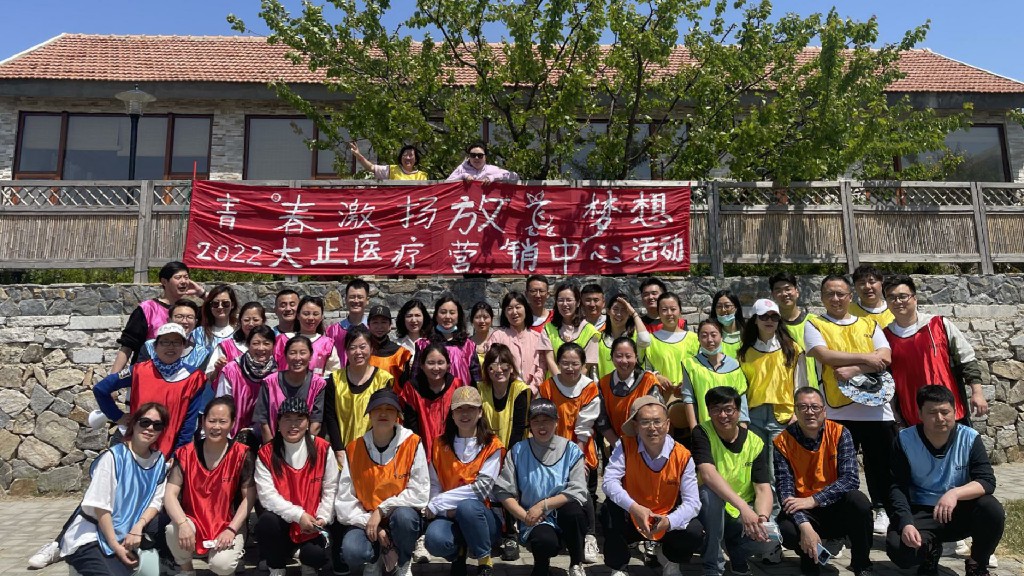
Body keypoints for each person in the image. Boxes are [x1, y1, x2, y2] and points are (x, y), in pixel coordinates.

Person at [805, 274, 895, 535]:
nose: (835, 299)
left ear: (850, 296)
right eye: (830, 294)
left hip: (877, 409)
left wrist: (855, 368)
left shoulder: (868, 323)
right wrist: (867, 358)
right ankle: (841, 520)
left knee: (882, 467)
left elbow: (885, 356)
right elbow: (824, 354)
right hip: (838, 409)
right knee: (838, 469)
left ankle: (884, 511)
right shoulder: (815, 324)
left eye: (841, 294)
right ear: (822, 297)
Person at [886, 386, 1004, 576]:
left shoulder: (969, 437)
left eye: (945, 412)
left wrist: (954, 493)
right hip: (922, 511)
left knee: (992, 510)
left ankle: (976, 563)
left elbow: (987, 481)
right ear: (920, 414)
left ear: (955, 411)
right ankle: (929, 552)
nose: (940, 418)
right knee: (900, 550)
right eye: (932, 413)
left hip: (958, 510)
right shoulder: (905, 439)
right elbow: (897, 487)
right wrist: (906, 523)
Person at [774, 387, 874, 576]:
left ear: (824, 410)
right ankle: (809, 558)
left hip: (834, 506)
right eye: (803, 407)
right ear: (795, 411)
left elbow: (851, 479)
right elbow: (785, 492)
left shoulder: (840, 433)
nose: (809, 412)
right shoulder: (782, 442)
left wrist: (814, 499)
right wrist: (805, 526)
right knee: (788, 530)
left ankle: (862, 564)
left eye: (815, 407)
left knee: (859, 502)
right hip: (804, 511)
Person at [58, 403, 168, 576]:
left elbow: (156, 501)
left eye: (157, 425)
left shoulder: (158, 461)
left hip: (126, 534)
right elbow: (100, 506)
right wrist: (115, 546)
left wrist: (138, 527)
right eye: (145, 422)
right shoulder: (113, 457)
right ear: (134, 423)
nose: (150, 428)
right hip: (93, 535)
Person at [602, 395, 704, 576]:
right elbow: (609, 482)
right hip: (633, 514)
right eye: (645, 422)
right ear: (635, 426)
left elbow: (693, 503)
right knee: (608, 511)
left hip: (666, 515)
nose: (652, 428)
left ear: (667, 424)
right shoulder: (624, 445)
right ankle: (618, 567)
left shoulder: (683, 455)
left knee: (694, 531)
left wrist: (669, 521)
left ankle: (670, 558)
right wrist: (635, 508)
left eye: (657, 421)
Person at [333, 389, 428, 576]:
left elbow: (419, 493)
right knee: (352, 551)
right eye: (377, 409)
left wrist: (382, 510)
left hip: (398, 517)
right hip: (365, 520)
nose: (383, 413)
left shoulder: (413, 443)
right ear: (369, 414)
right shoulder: (354, 448)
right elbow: (345, 502)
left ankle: (403, 561)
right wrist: (374, 525)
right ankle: (374, 559)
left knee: (405, 518)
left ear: (398, 415)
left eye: (389, 409)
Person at [493, 399, 589, 576]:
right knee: (544, 541)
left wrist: (543, 505)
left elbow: (578, 489)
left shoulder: (571, 449)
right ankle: (541, 566)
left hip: (562, 510)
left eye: (547, 420)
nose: (541, 426)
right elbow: (503, 491)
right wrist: (525, 516)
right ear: (529, 424)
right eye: (536, 421)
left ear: (556, 422)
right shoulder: (518, 450)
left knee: (574, 513)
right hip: (534, 517)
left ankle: (576, 563)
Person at [164, 397, 255, 576]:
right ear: (203, 421)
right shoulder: (185, 453)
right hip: (194, 521)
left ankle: (229, 560)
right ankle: (186, 570)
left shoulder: (242, 454)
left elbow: (249, 498)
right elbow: (170, 494)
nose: (216, 427)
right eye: (212, 421)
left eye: (223, 421)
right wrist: (182, 523)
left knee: (222, 566)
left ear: (232, 423)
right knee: (172, 529)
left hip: (228, 523)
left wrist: (232, 529)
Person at [882, 274, 988, 426]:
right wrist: (894, 412)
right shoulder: (885, 337)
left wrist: (977, 393)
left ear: (914, 298)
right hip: (913, 417)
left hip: (950, 412)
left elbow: (966, 360)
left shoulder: (939, 325)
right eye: (891, 298)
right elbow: (886, 379)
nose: (897, 301)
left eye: (903, 296)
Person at [94, 323, 208, 458]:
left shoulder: (194, 377)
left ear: (184, 346)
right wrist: (118, 416)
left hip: (169, 452)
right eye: (165, 342)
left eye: (176, 342)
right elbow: (101, 389)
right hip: (136, 449)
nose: (170, 347)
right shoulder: (138, 370)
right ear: (155, 346)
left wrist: (178, 454)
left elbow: (190, 421)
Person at [692, 387, 773, 576]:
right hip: (712, 508)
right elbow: (708, 474)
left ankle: (737, 556)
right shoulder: (702, 432)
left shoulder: (755, 442)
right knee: (710, 495)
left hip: (740, 511)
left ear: (738, 411)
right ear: (708, 411)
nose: (723, 415)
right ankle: (713, 566)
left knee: (769, 541)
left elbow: (763, 488)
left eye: (728, 409)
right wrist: (743, 507)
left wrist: (762, 518)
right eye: (716, 409)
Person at [424, 387, 504, 576]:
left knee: (468, 507)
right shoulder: (439, 444)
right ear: (452, 414)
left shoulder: (492, 445)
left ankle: (484, 560)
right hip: (448, 515)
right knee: (434, 540)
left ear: (480, 412)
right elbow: (434, 484)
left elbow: (481, 490)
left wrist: (439, 503)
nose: (465, 414)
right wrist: (444, 510)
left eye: (471, 408)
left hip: (482, 516)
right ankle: (458, 554)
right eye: (459, 409)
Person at [254, 396, 338, 576]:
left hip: (313, 521)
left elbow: (331, 488)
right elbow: (267, 496)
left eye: (299, 419)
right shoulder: (266, 453)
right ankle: (276, 567)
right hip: (283, 521)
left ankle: (306, 560)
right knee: (266, 522)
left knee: (315, 556)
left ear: (308, 423)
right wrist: (298, 515)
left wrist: (323, 517)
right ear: (278, 423)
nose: (293, 425)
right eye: (287, 419)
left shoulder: (323, 449)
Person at [537, 342, 601, 564]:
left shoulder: (589, 388)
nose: (570, 368)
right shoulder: (547, 387)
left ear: (583, 365)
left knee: (581, 490)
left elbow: (584, 427)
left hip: (579, 447)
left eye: (575, 363)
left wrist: (577, 458)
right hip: (551, 447)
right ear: (557, 363)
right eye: (565, 363)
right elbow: (542, 420)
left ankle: (590, 536)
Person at [737, 298, 808, 486]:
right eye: (764, 316)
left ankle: (780, 505)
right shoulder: (744, 353)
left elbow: (800, 384)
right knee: (758, 467)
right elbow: (742, 388)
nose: (769, 320)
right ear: (755, 319)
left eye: (774, 317)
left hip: (783, 416)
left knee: (778, 468)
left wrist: (797, 413)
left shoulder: (792, 349)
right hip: (754, 416)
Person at [479, 343, 531, 561]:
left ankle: (511, 535)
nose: (498, 369)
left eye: (504, 364)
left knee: (508, 487)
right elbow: (478, 425)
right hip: (485, 451)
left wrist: (505, 459)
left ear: (511, 367)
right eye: (492, 365)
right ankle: (488, 534)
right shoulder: (480, 389)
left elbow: (520, 428)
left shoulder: (521, 390)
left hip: (514, 451)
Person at [112, 261, 204, 373]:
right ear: (164, 281)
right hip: (148, 374)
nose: (184, 281)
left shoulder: (191, 311)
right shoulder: (147, 309)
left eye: (186, 277)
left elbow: (217, 309)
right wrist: (112, 378)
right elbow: (127, 345)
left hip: (182, 377)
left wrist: (202, 294)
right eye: (178, 277)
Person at [324, 325, 395, 468]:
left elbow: (385, 417)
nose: (358, 352)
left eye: (362, 347)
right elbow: (330, 416)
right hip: (341, 452)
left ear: (372, 348)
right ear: (346, 351)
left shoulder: (383, 380)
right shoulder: (335, 380)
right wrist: (338, 449)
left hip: (375, 452)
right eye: (352, 348)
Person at [398, 342, 465, 466]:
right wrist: (418, 452)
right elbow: (410, 425)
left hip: (453, 451)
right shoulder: (411, 388)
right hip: (421, 452)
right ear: (422, 366)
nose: (436, 368)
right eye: (431, 363)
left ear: (448, 365)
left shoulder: (457, 385)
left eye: (440, 363)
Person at [254, 335, 328, 443]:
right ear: (285, 356)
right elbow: (263, 421)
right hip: (275, 444)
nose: (297, 358)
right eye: (292, 353)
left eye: (302, 353)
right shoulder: (269, 382)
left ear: (311, 355)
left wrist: (304, 448)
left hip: (306, 444)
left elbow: (316, 422)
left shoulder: (319, 384)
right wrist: (270, 448)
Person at [215, 324, 278, 447]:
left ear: (273, 346)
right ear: (248, 345)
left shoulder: (277, 373)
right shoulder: (231, 370)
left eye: (266, 343)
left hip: (266, 437)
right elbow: (222, 405)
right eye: (256, 343)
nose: (261, 348)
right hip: (232, 435)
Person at [681, 320, 749, 430]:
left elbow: (741, 398)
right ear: (698, 339)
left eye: (714, 335)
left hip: (732, 428)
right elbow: (689, 399)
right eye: (704, 336)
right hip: (706, 428)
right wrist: (695, 430)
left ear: (721, 337)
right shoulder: (690, 365)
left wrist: (743, 427)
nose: (709, 340)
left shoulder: (734, 365)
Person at [595, 337, 662, 446]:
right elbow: (602, 421)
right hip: (616, 445)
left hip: (647, 444)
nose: (624, 361)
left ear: (636, 358)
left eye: (628, 356)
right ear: (612, 357)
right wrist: (619, 446)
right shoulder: (603, 384)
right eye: (619, 356)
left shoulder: (648, 381)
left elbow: (657, 416)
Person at [484, 290, 555, 393]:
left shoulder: (537, 338)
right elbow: (491, 365)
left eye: (518, 307)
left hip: (531, 394)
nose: (514, 312)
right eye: (509, 308)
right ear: (505, 313)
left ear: (526, 309)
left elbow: (541, 368)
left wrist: (531, 390)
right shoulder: (497, 337)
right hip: (504, 393)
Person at [416, 296, 482, 386]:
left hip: (462, 393)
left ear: (458, 316)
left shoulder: (468, 346)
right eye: (443, 312)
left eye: (452, 313)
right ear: (436, 315)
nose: (447, 316)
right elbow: (416, 377)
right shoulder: (424, 344)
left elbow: (476, 379)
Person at [768, 272, 819, 390]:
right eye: (778, 290)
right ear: (773, 295)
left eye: (787, 289)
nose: (784, 294)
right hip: (783, 390)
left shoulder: (814, 322)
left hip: (815, 389)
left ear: (797, 291)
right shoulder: (770, 326)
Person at [137, 299, 213, 372]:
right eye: (179, 316)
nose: (184, 321)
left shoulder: (201, 354)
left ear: (195, 322)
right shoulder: (150, 347)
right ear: (169, 320)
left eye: (190, 317)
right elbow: (139, 373)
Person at [273, 295, 341, 377]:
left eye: (315, 314)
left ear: (321, 317)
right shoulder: (283, 340)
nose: (311, 318)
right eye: (306, 314)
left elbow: (333, 373)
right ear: (298, 315)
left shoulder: (327, 344)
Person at [544, 282, 601, 377]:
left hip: (579, 383)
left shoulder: (590, 331)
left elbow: (587, 365)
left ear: (578, 303)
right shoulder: (548, 328)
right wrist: (559, 382)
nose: (564, 304)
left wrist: (571, 382)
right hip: (553, 383)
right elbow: (549, 359)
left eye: (569, 300)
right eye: (560, 300)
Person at [206, 300, 266, 382]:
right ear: (240, 321)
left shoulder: (272, 346)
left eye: (255, 320)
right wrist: (217, 369)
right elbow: (209, 378)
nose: (251, 324)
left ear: (263, 321)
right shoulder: (226, 347)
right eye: (246, 320)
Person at [596, 292, 651, 380]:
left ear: (629, 313)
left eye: (624, 310)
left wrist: (634, 313)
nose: (619, 314)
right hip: (606, 386)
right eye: (615, 309)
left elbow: (645, 340)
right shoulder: (599, 338)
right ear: (608, 311)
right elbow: (594, 369)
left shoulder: (635, 336)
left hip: (634, 386)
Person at [325, 279, 371, 362]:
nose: (356, 301)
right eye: (352, 297)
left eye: (360, 297)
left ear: (367, 300)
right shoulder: (333, 331)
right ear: (345, 299)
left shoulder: (372, 329)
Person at [367, 305, 413, 382]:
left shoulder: (401, 353)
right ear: (368, 325)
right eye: (375, 322)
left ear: (390, 325)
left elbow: (406, 384)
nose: (379, 326)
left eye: (383, 322)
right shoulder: (362, 352)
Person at [350, 142, 429, 180]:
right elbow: (371, 167)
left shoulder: (422, 176)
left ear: (416, 159)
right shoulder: (392, 170)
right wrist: (358, 155)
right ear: (401, 157)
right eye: (405, 155)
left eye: (411, 155)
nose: (408, 158)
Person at [194, 284, 239, 351]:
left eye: (225, 303)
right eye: (215, 303)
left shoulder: (240, 331)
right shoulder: (199, 333)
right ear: (210, 306)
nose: (220, 307)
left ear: (232, 305)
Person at [445, 142, 519, 182]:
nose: (476, 158)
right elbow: (446, 184)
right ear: (469, 157)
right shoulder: (461, 168)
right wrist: (463, 176)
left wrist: (493, 178)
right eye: (473, 155)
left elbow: (514, 176)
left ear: (485, 157)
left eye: (480, 155)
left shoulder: (492, 169)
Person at [710, 289, 745, 358]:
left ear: (736, 308)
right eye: (719, 306)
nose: (723, 310)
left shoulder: (747, 335)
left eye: (727, 306)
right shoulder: (711, 337)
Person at [469, 300, 495, 365]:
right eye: (477, 317)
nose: (482, 321)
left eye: (485, 317)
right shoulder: (466, 344)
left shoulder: (497, 342)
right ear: (472, 320)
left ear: (492, 320)